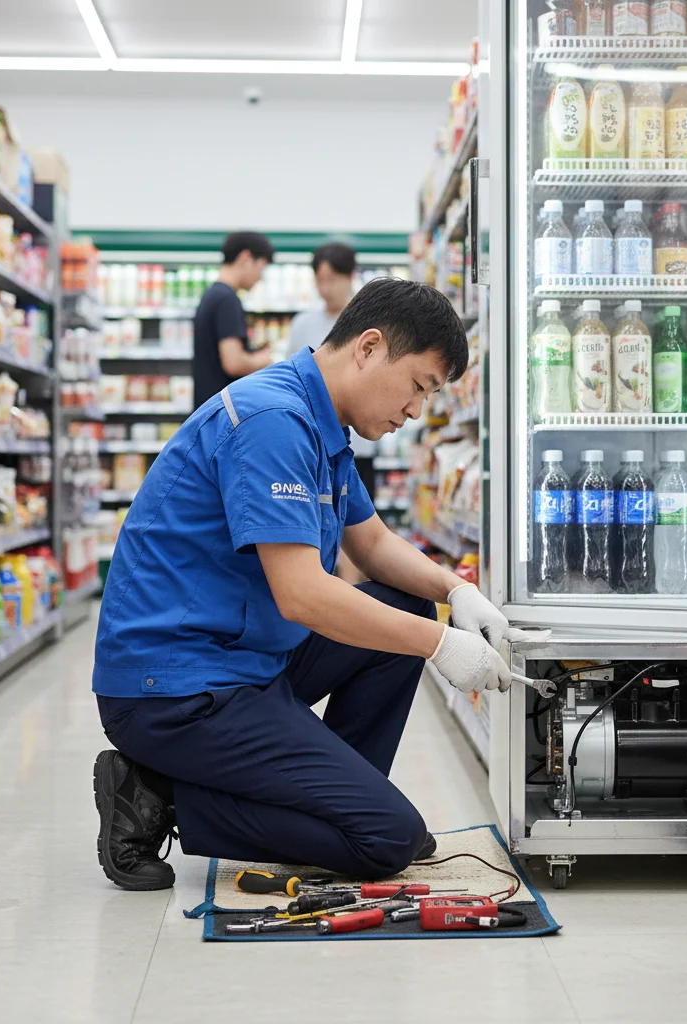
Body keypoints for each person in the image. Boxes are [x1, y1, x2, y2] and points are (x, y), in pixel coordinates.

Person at [92, 277, 529, 891]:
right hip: (176, 691)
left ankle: (345, 800)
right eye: (419, 386)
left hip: (243, 661)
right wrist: (439, 644)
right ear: (369, 348)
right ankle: (156, 794)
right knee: (387, 841)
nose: (415, 412)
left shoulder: (322, 427)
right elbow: (303, 594)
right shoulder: (275, 420)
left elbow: (372, 544)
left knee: (406, 601)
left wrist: (456, 593)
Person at [192, 231, 275, 410]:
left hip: (209, 409)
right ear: (245, 257)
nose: (260, 276)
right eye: (261, 267)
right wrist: (265, 360)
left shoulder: (213, 295)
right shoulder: (226, 299)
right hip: (221, 412)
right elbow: (234, 363)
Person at [286, 241, 357, 358]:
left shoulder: (367, 323)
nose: (325, 289)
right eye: (320, 280)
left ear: (351, 276)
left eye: (332, 280)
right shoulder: (302, 323)